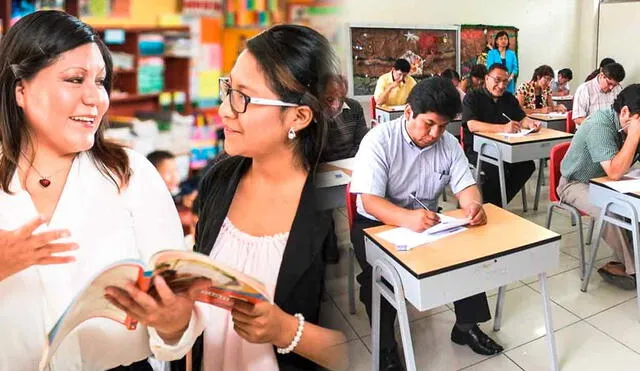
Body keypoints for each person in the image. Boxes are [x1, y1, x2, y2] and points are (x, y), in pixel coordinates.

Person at [108, 25, 349, 371]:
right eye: (228, 89)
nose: (224, 110)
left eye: (243, 98)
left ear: (298, 116)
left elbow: (354, 349)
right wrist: (172, 318)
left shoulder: (328, 207)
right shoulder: (220, 178)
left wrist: (285, 330)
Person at [0, 10, 185, 370]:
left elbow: (176, 326)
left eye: (100, 81)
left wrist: (174, 323)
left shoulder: (130, 175)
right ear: (20, 89)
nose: (96, 99)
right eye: (74, 79)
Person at [350, 77, 504, 370]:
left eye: (443, 126)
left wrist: (473, 206)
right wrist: (407, 218)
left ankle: (465, 327)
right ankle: (385, 347)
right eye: (429, 124)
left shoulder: (448, 144)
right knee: (379, 275)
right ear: (408, 112)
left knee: (466, 254)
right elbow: (370, 202)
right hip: (375, 224)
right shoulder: (379, 140)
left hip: (428, 222)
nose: (435, 134)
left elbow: (466, 188)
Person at [558, 85, 640, 290]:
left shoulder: (631, 123)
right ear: (625, 113)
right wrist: (634, 136)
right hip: (576, 183)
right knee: (611, 209)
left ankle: (626, 259)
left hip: (609, 182)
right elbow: (613, 171)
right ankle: (634, 269)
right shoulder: (600, 124)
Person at [462, 63, 541, 207]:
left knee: (527, 165)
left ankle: (495, 205)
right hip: (478, 149)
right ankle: (490, 205)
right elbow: (472, 125)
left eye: (505, 81)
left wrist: (530, 124)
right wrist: (503, 128)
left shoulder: (509, 98)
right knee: (495, 168)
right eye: (497, 80)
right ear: (486, 78)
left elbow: (521, 118)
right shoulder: (472, 97)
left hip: (506, 148)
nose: (501, 85)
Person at [319, 74, 368, 263]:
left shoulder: (354, 107)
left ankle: (365, 245)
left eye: (341, 98)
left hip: (350, 163)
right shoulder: (314, 112)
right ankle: (329, 248)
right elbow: (316, 149)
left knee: (367, 200)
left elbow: (362, 140)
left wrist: (351, 162)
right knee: (322, 207)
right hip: (324, 166)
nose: (336, 105)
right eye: (330, 99)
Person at [573, 62, 625, 127]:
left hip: (612, 131)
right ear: (601, 76)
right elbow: (578, 119)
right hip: (590, 131)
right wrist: (600, 126)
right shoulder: (584, 89)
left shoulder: (618, 89)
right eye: (609, 84)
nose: (611, 88)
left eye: (615, 85)